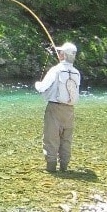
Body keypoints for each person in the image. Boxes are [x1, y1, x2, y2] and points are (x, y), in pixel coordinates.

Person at [34, 42, 81, 173]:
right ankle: (64, 168)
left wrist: (37, 84)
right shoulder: (77, 73)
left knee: (51, 138)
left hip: (54, 108)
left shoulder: (55, 70)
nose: (59, 53)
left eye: (60, 52)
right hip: (70, 111)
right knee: (66, 139)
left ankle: (51, 169)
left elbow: (42, 87)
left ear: (62, 55)